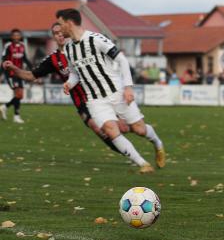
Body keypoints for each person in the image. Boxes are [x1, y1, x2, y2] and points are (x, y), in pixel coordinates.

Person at [56, 9, 165, 173]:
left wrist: (128, 87)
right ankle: (143, 164)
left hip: (116, 92)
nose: (59, 29)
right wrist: (69, 83)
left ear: (69, 23)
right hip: (95, 99)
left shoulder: (96, 39)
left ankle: (158, 144)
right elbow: (74, 72)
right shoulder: (68, 48)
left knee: (139, 129)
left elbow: (121, 60)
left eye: (60, 24)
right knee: (109, 130)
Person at [3, 23, 132, 158]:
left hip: (103, 94)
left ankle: (147, 145)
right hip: (81, 101)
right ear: (53, 37)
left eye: (61, 31)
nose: (60, 35)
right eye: (56, 33)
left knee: (126, 128)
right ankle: (130, 156)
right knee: (98, 128)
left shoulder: (85, 46)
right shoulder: (53, 59)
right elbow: (30, 76)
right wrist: (13, 68)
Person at [2, 29, 32, 123]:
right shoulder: (8, 46)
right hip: (10, 74)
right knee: (18, 94)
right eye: (14, 35)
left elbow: (25, 59)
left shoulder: (22, 46)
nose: (16, 37)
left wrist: (33, 69)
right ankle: (16, 116)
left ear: (20, 36)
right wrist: (1, 73)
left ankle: (5, 107)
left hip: (20, 73)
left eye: (18, 35)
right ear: (12, 37)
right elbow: (4, 59)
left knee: (20, 95)